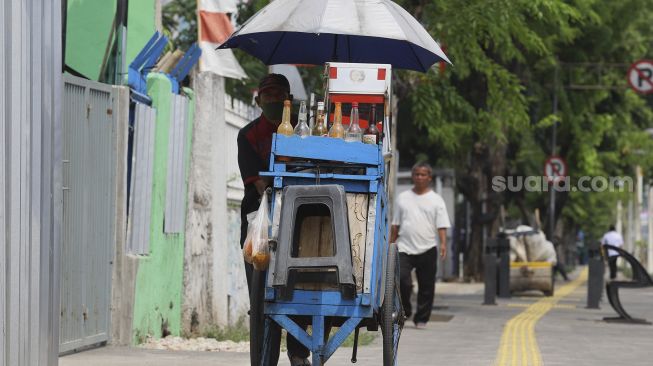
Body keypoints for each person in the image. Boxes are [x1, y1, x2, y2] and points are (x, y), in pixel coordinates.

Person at [237, 74, 310, 366]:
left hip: (299, 215)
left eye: (280, 95)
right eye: (268, 95)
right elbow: (259, 184)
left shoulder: (303, 132)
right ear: (258, 100)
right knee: (262, 289)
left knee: (299, 286)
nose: (274, 100)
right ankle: (266, 356)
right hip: (260, 218)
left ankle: (298, 353)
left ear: (288, 100)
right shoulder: (248, 135)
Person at [390, 162, 451, 329]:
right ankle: (405, 310)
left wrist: (443, 244)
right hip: (404, 248)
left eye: (423, 174)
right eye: (417, 174)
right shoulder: (403, 198)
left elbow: (442, 225)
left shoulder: (436, 200)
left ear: (429, 178)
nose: (419, 177)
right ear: (412, 176)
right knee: (402, 281)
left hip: (428, 247)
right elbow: (395, 224)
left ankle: (422, 318)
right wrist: (390, 244)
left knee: (427, 285)